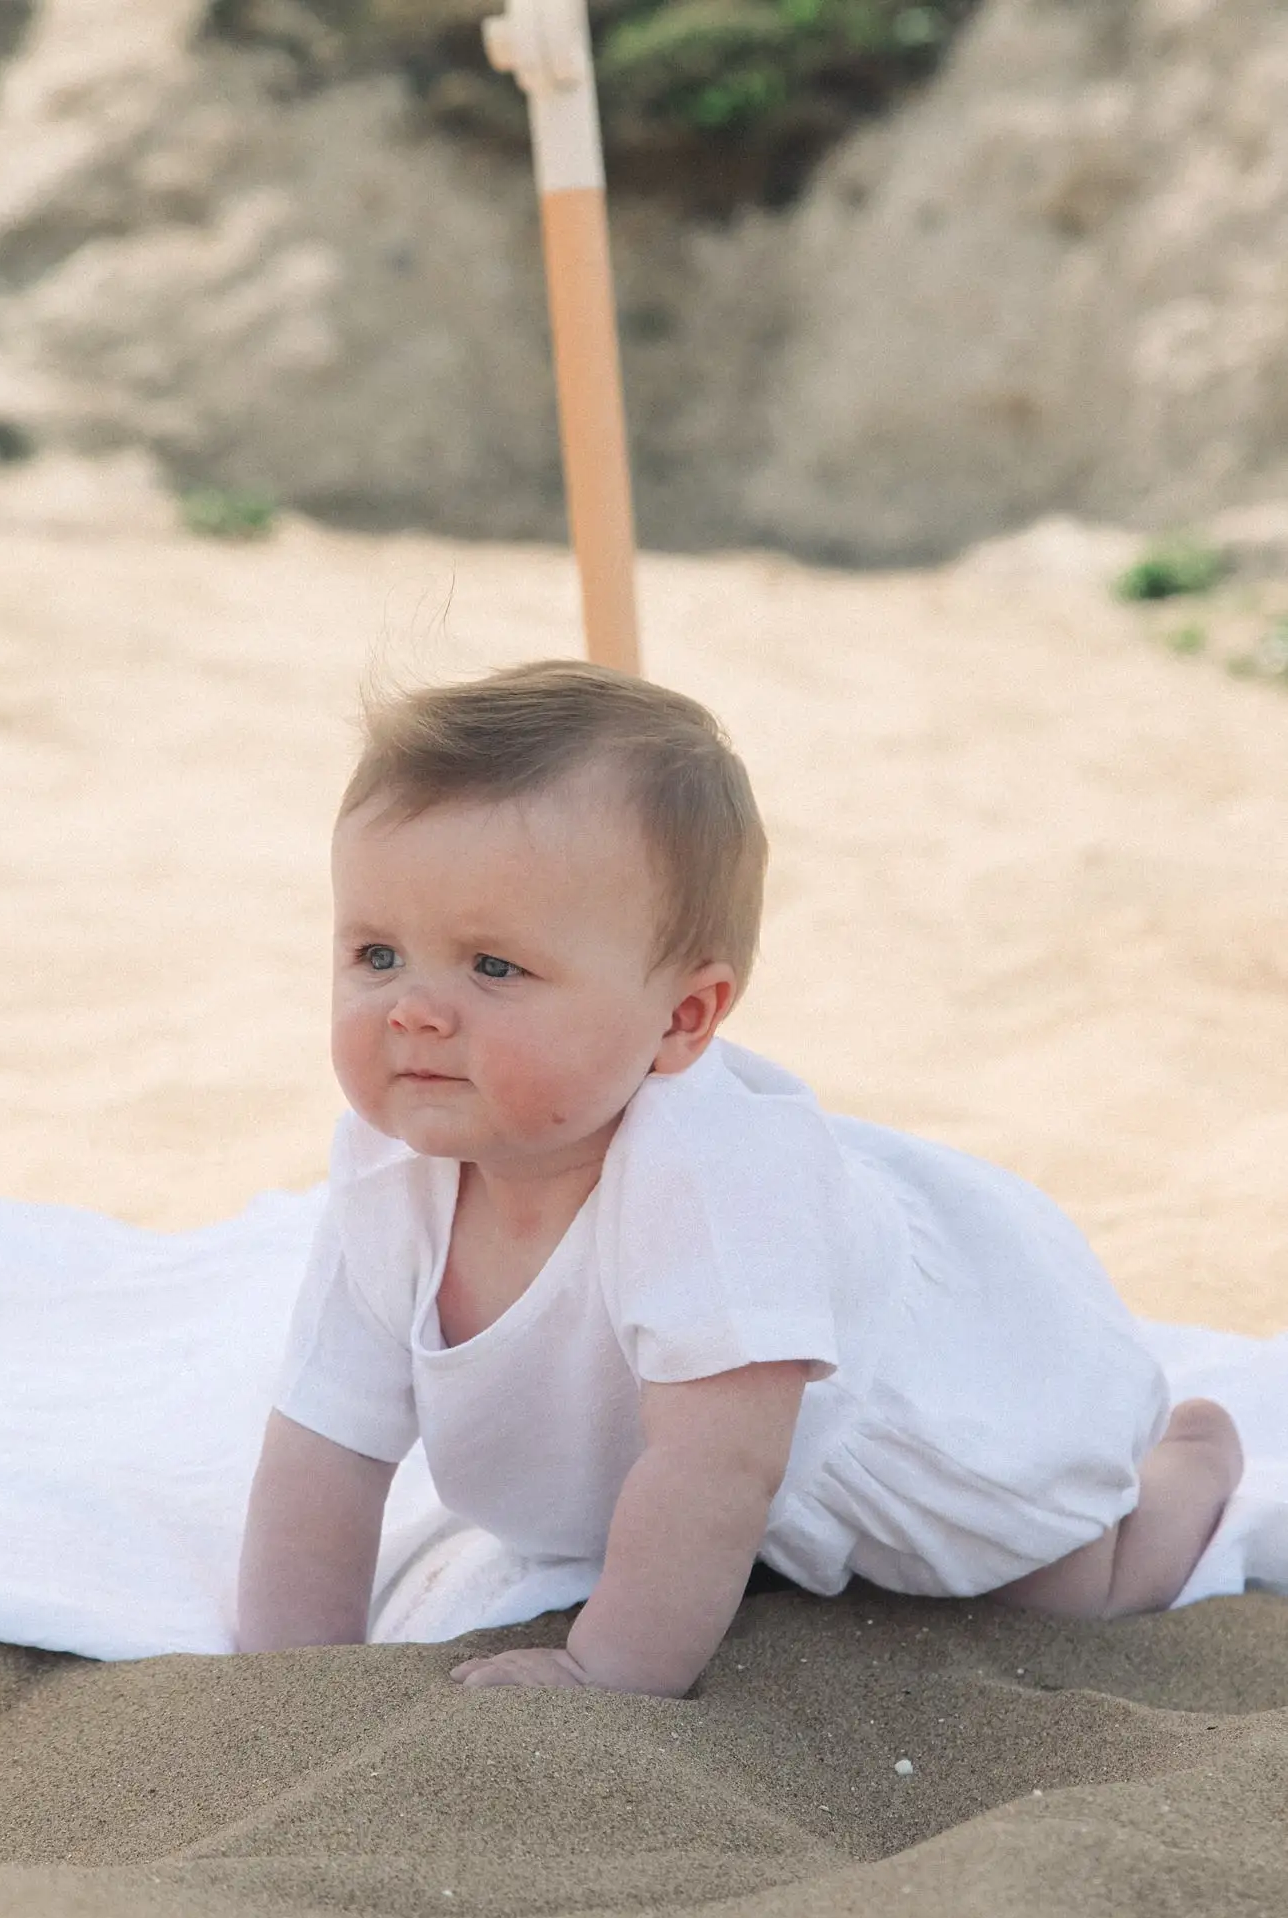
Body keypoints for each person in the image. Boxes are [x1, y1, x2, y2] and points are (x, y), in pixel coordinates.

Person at [236, 660, 1243, 1696]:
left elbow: (714, 1472)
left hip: (913, 1398)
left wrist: (605, 1669)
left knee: (1062, 1584)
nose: (413, 1010)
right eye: (376, 954)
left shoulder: (712, 1182)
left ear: (683, 1018)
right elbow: (325, 1442)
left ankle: (1188, 1465)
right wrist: (282, 1674)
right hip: (709, 1468)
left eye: (493, 967)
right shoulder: (386, 1168)